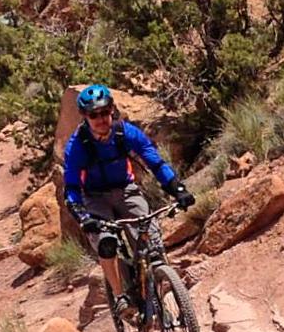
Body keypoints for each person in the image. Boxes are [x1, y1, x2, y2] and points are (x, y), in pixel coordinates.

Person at [62, 83, 195, 317]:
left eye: (105, 112)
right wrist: (82, 217)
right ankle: (120, 295)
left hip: (126, 189)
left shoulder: (126, 133)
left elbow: (155, 163)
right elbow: (71, 187)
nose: (101, 119)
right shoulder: (77, 146)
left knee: (150, 239)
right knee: (106, 242)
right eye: (94, 115)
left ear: (112, 109)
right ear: (85, 117)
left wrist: (178, 189)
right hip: (94, 198)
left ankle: (164, 291)